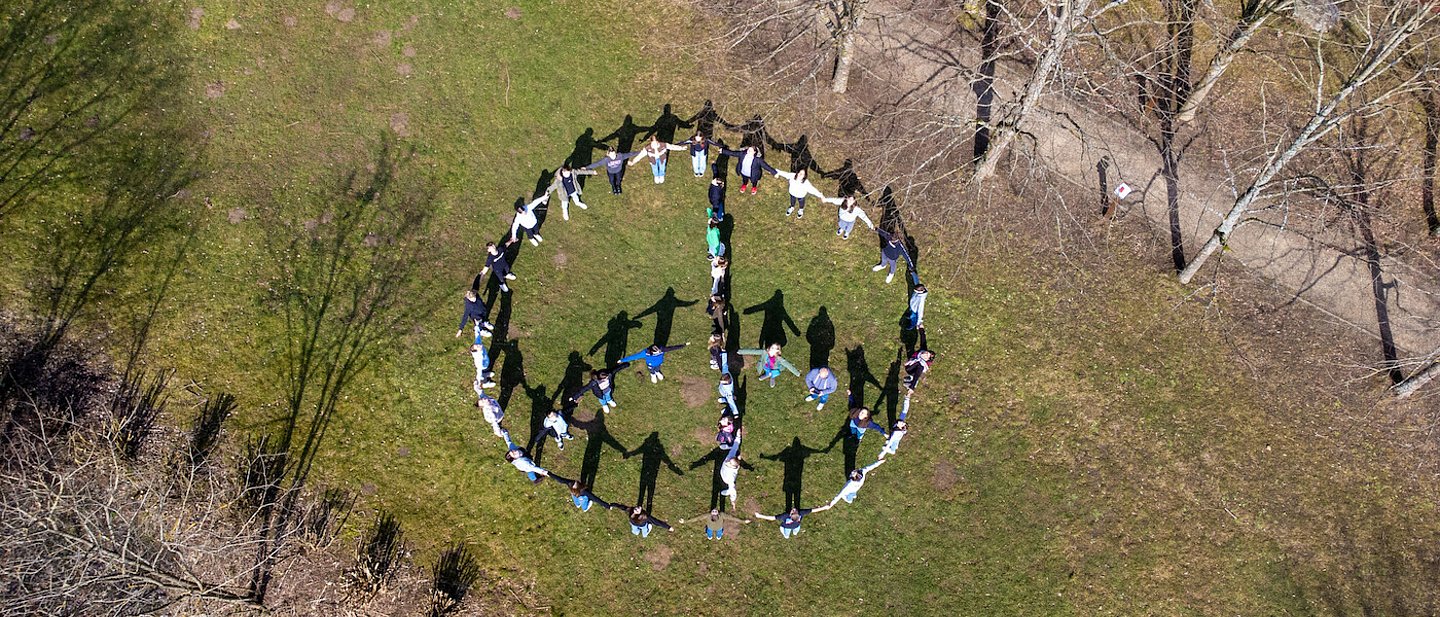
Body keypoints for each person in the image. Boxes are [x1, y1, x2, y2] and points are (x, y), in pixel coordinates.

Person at [620, 343, 688, 383]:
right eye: (657, 352)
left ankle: (658, 372)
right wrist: (622, 360)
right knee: (651, 370)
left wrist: (683, 345)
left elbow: (672, 348)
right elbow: (634, 356)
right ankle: (653, 375)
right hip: (651, 365)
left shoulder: (661, 349)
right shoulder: (646, 353)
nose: (659, 352)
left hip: (659, 363)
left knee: (657, 368)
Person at [754, 504, 831, 539]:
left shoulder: (785, 516)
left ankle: (786, 536)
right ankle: (794, 533)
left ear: (790, 515)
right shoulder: (801, 513)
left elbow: (772, 518)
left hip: (786, 527)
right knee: (796, 530)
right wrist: (825, 507)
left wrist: (760, 516)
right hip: (797, 526)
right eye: (794, 510)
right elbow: (813, 510)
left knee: (785, 531)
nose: (794, 509)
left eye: (793, 511)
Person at [548, 473, 613, 513]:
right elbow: (595, 499)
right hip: (580, 496)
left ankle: (577, 503)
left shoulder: (570, 483)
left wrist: (549, 473)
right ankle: (585, 507)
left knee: (574, 495)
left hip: (574, 493)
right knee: (584, 505)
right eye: (576, 484)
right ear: (578, 487)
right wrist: (607, 506)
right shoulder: (584, 492)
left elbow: (560, 479)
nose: (576, 481)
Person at [678, 508, 751, 540]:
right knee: (712, 533)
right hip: (714, 528)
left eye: (715, 511)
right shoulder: (721, 515)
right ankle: (713, 536)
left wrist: (743, 521)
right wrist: (685, 521)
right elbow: (696, 519)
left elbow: (697, 519)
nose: (715, 510)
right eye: (714, 511)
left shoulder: (711, 515)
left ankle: (714, 536)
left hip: (715, 528)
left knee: (716, 534)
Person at [608, 503, 673, 537]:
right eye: (638, 507)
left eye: (638, 509)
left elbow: (656, 522)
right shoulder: (631, 510)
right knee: (635, 533)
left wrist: (668, 527)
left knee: (644, 535)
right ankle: (638, 531)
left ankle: (648, 529)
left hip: (643, 526)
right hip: (633, 524)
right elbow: (621, 507)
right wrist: (612, 505)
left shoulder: (645, 517)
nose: (639, 507)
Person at [879, 392, 910, 460]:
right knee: (892, 446)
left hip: (895, 440)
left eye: (902, 424)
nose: (902, 422)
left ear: (900, 427)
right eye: (903, 422)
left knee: (891, 449)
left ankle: (891, 449)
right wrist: (907, 399)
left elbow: (890, 443)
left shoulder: (896, 433)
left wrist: (882, 453)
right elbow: (905, 410)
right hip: (895, 438)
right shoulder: (900, 422)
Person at [718, 434, 743, 506]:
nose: (727, 461)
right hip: (723, 472)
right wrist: (738, 436)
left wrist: (733, 500)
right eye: (729, 460)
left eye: (729, 462)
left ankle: (727, 491)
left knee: (731, 488)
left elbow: (733, 491)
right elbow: (734, 447)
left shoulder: (730, 478)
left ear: (733, 466)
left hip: (726, 479)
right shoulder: (730, 457)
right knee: (733, 451)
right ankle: (738, 458)